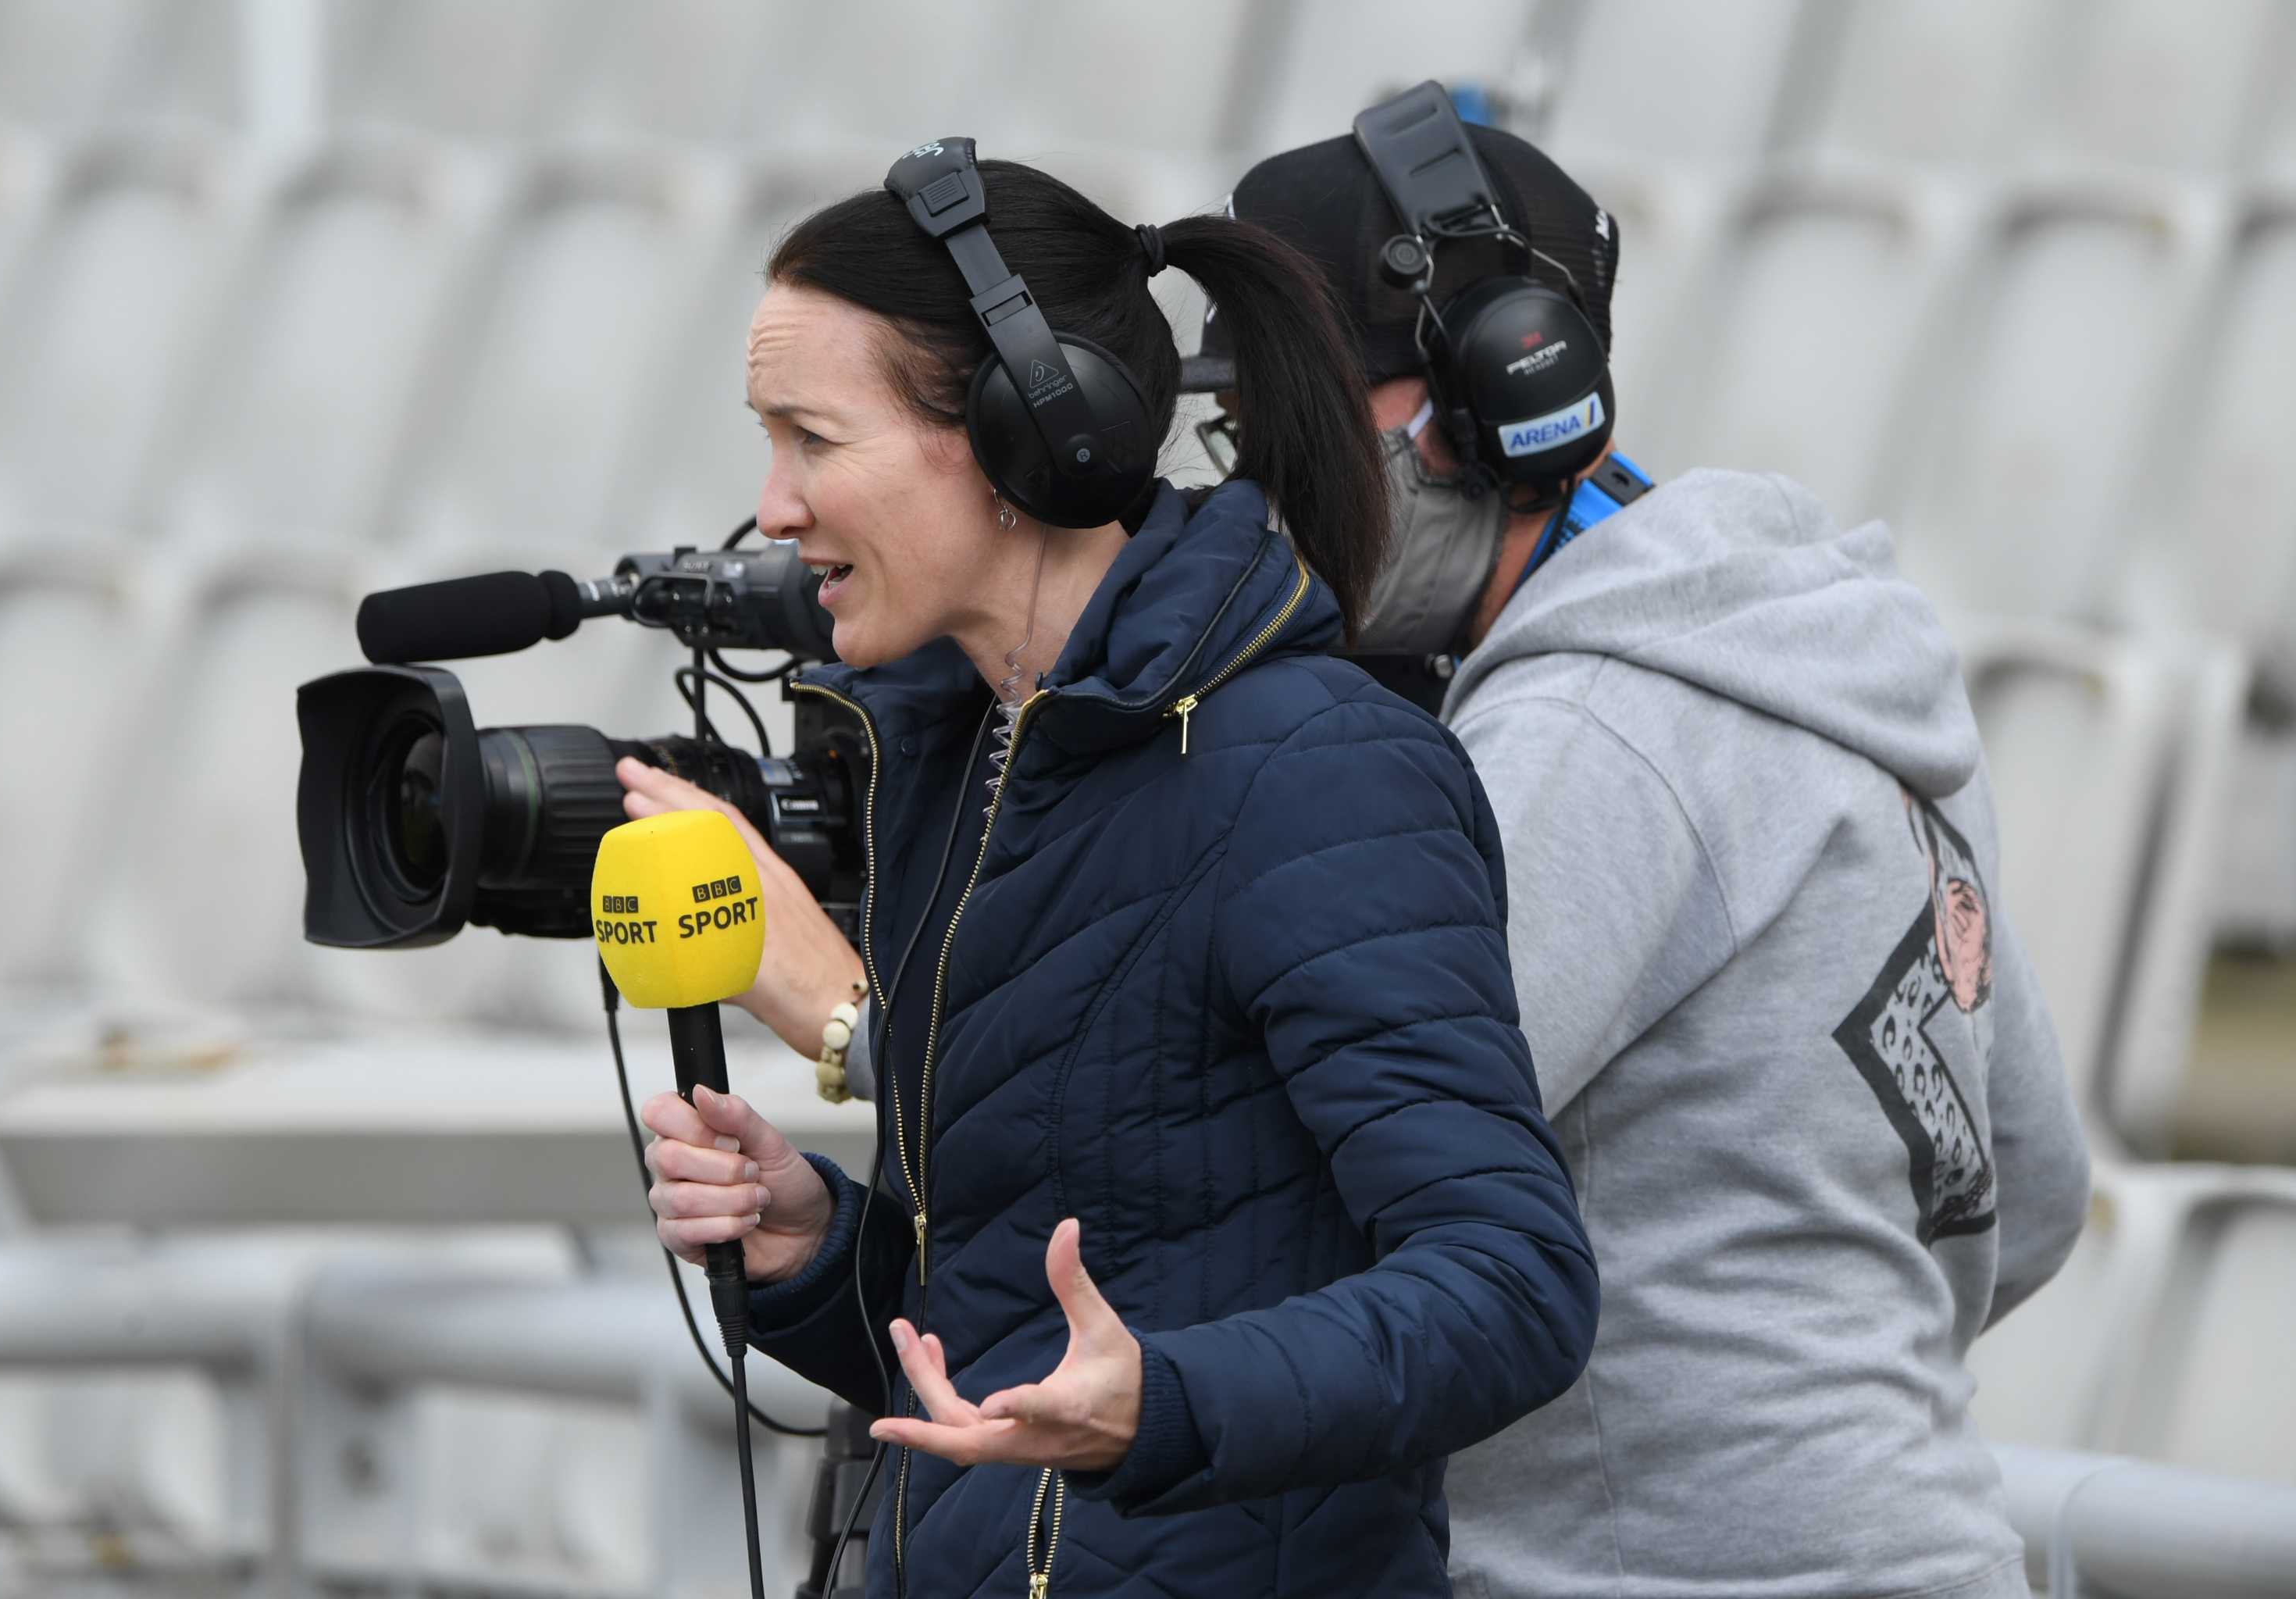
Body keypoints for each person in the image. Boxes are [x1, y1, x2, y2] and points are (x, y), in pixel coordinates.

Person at [616, 136, 1597, 1599]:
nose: (773, 507)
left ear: (1032, 432)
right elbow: (1023, 1334)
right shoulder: (954, 762)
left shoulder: (1313, 769)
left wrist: (1170, 1404)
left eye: (813, 440)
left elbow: (1514, 1286)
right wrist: (822, 1253)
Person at [1185, 94, 2093, 1599]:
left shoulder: (1590, 735)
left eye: (1295, 424)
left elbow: (1266, 1180)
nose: (1256, 488)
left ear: (1496, 389)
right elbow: (2030, 1184)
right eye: (1240, 431)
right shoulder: (1833, 659)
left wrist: (842, 1020)